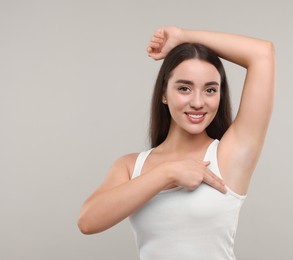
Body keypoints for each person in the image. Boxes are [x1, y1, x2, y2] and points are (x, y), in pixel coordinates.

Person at [78, 26, 275, 260]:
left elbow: (262, 54)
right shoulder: (131, 166)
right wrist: (167, 174)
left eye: (210, 90)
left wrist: (183, 37)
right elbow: (88, 221)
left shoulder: (229, 156)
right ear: (163, 93)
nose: (198, 102)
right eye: (184, 88)